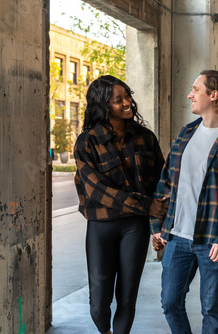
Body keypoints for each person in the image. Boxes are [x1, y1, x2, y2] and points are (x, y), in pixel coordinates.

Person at [150, 70, 218, 334]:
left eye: (196, 89)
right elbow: (166, 183)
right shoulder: (186, 133)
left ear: (214, 94)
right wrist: (157, 224)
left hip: (212, 239)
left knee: (211, 310)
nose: (190, 95)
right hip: (176, 236)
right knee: (170, 303)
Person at [73, 75, 168, 334]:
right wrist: (145, 206)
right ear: (103, 106)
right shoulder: (87, 142)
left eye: (127, 95)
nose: (127, 102)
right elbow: (96, 191)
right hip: (101, 226)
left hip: (134, 228)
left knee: (127, 298)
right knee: (98, 303)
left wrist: (158, 227)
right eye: (119, 100)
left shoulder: (145, 137)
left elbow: (161, 184)